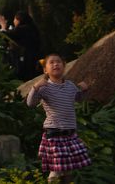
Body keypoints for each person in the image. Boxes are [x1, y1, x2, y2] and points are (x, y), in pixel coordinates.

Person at [25, 53, 91, 183]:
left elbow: (79, 99)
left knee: (68, 171)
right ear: (45, 70)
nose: (56, 64)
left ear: (64, 66)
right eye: (52, 62)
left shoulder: (70, 86)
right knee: (56, 171)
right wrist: (35, 87)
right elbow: (30, 103)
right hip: (54, 134)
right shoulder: (44, 87)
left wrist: (84, 90)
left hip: (70, 134)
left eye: (59, 62)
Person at [0, 10, 41, 81]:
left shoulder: (22, 29)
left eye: (15, 19)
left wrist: (3, 26)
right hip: (34, 58)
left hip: (24, 59)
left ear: (19, 19)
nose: (14, 21)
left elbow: (6, 37)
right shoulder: (33, 28)